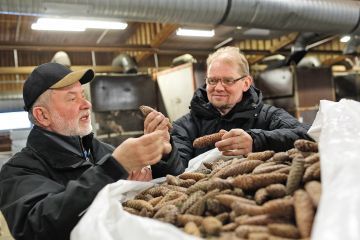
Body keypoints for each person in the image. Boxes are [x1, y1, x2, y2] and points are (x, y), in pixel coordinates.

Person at [0, 63, 182, 240]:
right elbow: (37, 227)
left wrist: (161, 155)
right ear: (43, 115)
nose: (86, 104)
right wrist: (113, 169)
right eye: (72, 98)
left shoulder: (104, 152)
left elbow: (175, 192)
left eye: (83, 95)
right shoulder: (17, 172)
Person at [144, 46, 312, 170]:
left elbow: (309, 135)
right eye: (212, 80)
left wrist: (256, 141)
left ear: (246, 83)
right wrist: (166, 154)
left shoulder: (268, 116)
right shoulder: (186, 126)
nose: (218, 87)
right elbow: (175, 176)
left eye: (227, 80)